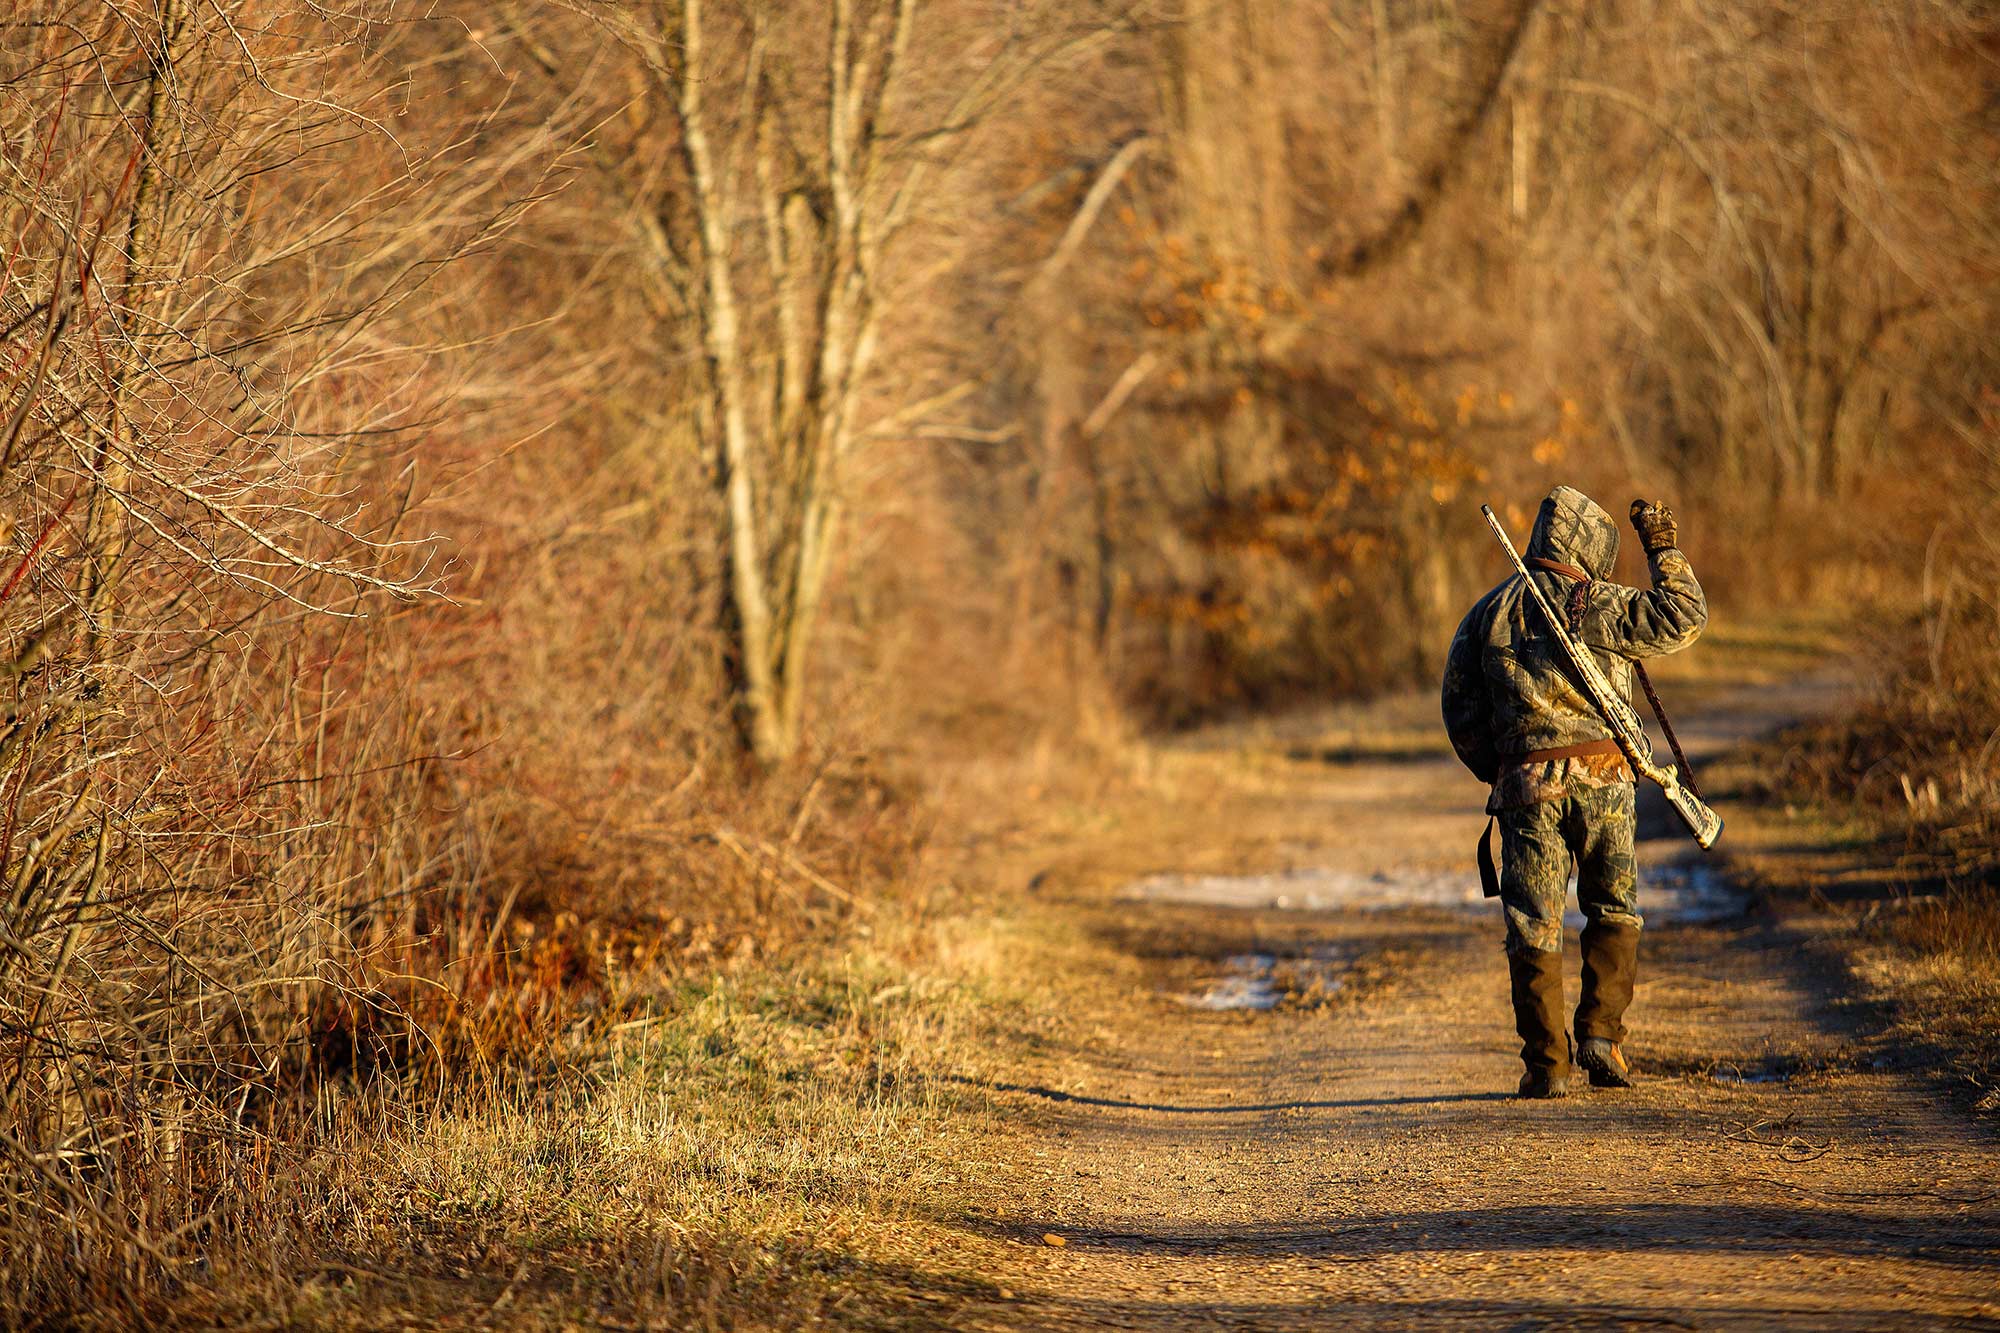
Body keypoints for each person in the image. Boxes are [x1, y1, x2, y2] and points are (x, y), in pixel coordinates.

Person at [1440, 486, 1708, 1098]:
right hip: (1608, 784)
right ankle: (1602, 1036)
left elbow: (1459, 711)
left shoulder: (1489, 613)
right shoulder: (1596, 601)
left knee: (1533, 923)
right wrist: (1663, 547)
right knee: (1614, 907)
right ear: (1594, 545)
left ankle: (1547, 1066)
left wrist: (1505, 771)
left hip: (1525, 789)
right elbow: (1685, 616)